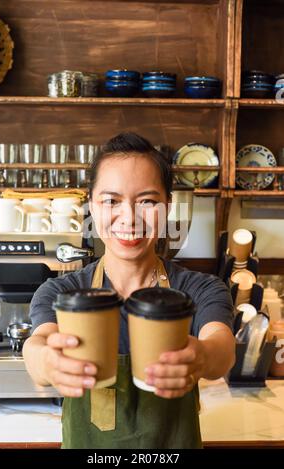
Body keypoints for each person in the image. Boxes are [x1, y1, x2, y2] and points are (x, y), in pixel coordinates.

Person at [23, 132, 235, 449]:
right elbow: (37, 346)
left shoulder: (199, 288)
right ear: (92, 206)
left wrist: (201, 356)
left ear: (167, 206)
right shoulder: (62, 292)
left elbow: (221, 347)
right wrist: (47, 362)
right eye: (111, 201)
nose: (129, 218)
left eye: (147, 201)